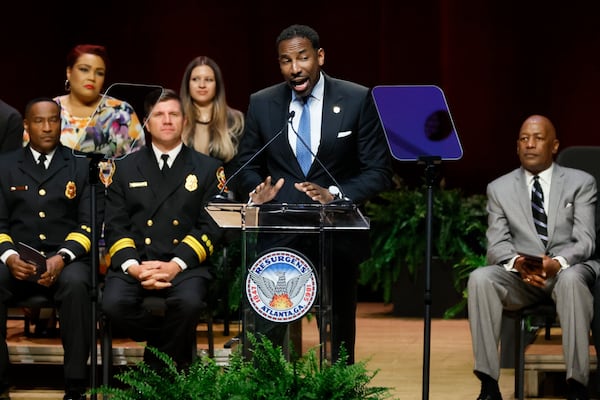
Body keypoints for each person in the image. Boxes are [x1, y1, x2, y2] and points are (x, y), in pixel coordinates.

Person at [230, 24, 393, 364]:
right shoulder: (263, 104)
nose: (295, 68)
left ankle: (340, 389)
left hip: (335, 233)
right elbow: (244, 166)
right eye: (286, 61)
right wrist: (255, 191)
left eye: (302, 58)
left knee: (337, 337)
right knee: (268, 330)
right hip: (280, 232)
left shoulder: (356, 98)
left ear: (319, 56)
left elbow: (378, 172)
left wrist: (334, 194)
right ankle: (269, 387)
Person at [467, 115, 598, 400]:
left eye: (538, 138)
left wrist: (557, 263)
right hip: (522, 279)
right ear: (517, 147)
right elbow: (496, 245)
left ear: (554, 145)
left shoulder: (580, 183)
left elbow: (585, 240)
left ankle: (577, 386)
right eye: (524, 139)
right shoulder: (498, 188)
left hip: (566, 271)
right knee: (480, 278)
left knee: (573, 280)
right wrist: (519, 264)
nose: (530, 144)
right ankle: (488, 385)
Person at [101, 88, 224, 370]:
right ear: (146, 122)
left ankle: (155, 368)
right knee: (113, 305)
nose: (166, 120)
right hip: (137, 262)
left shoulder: (208, 168)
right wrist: (135, 268)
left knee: (190, 304)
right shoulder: (123, 169)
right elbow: (116, 225)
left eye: (173, 114)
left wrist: (175, 265)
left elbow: (211, 225)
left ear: (185, 121)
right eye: (159, 114)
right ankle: (167, 350)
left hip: (185, 264)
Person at [0, 98, 101, 400]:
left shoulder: (81, 165)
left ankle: (75, 385)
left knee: (77, 285)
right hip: (18, 261)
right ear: (26, 126)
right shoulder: (4, 166)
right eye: (39, 121)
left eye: (53, 120)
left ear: (62, 123)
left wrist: (63, 257)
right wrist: (9, 256)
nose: (47, 127)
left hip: (67, 260)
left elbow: (90, 225)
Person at [179, 56, 244, 169]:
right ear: (187, 84)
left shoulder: (236, 121)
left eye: (208, 79)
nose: (202, 85)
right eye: (195, 79)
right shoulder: (176, 120)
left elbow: (242, 167)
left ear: (217, 85)